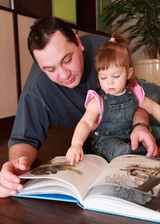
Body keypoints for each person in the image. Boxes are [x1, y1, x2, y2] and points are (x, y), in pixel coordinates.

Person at [0, 17, 159, 198]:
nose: (64, 74)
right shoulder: (36, 90)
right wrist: (16, 166)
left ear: (78, 42)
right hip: (105, 141)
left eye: (67, 60)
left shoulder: (104, 52)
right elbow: (24, 140)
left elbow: (137, 97)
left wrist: (141, 125)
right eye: (50, 69)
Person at [66, 33, 160, 165]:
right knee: (123, 152)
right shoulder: (97, 100)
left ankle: (145, 150)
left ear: (129, 73)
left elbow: (154, 108)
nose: (109, 83)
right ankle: (142, 154)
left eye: (116, 76)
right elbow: (85, 123)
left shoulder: (133, 92)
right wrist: (76, 144)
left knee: (156, 132)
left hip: (131, 132)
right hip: (107, 141)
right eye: (103, 77)